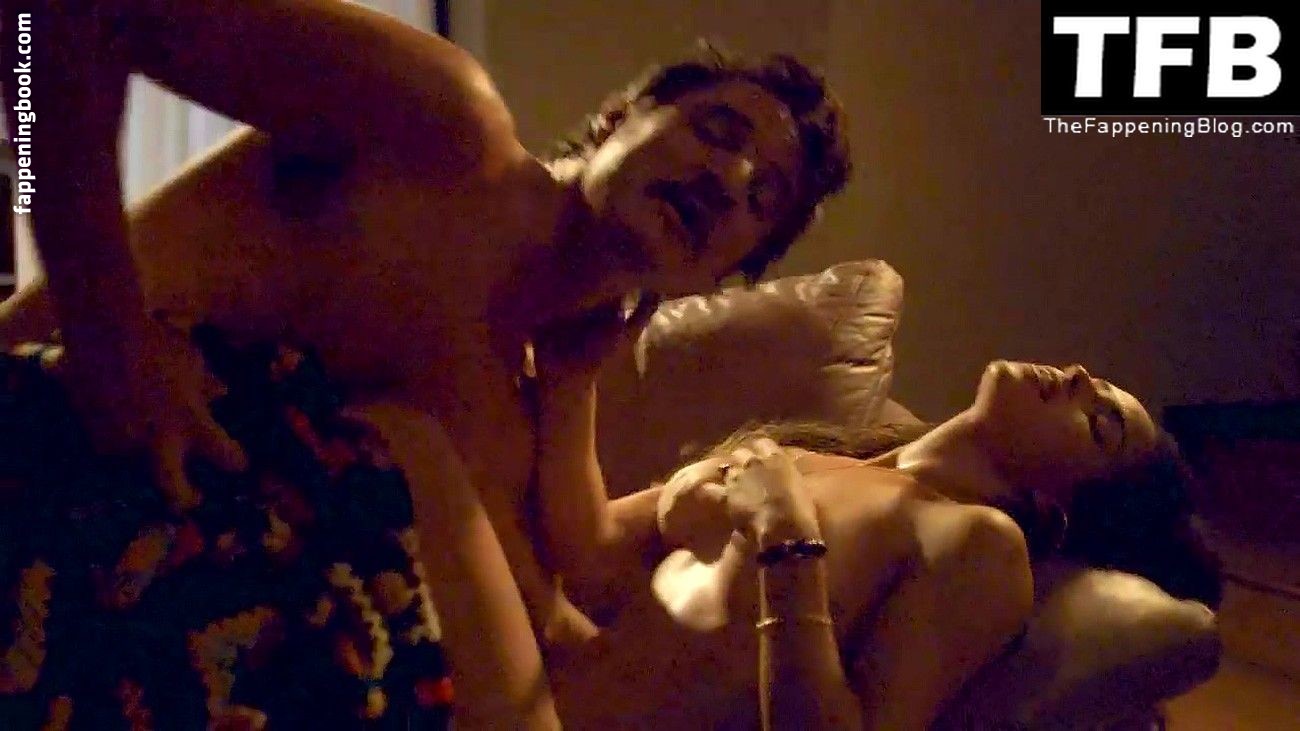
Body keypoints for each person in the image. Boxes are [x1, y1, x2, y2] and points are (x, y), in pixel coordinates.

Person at [0, 1, 850, 726]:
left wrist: (787, 551)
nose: (729, 177)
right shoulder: (440, 126)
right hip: (43, 462)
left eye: (762, 197)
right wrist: (107, 330)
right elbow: (46, 23)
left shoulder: (508, 421)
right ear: (622, 115)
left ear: (720, 276)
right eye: (717, 130)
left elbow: (558, 624)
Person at [530, 358, 1222, 728]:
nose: (1076, 377)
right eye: (1097, 386)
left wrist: (787, 537)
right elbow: (580, 552)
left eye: (1100, 424)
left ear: (1058, 509)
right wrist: (575, 382)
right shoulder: (806, 457)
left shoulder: (976, 542)